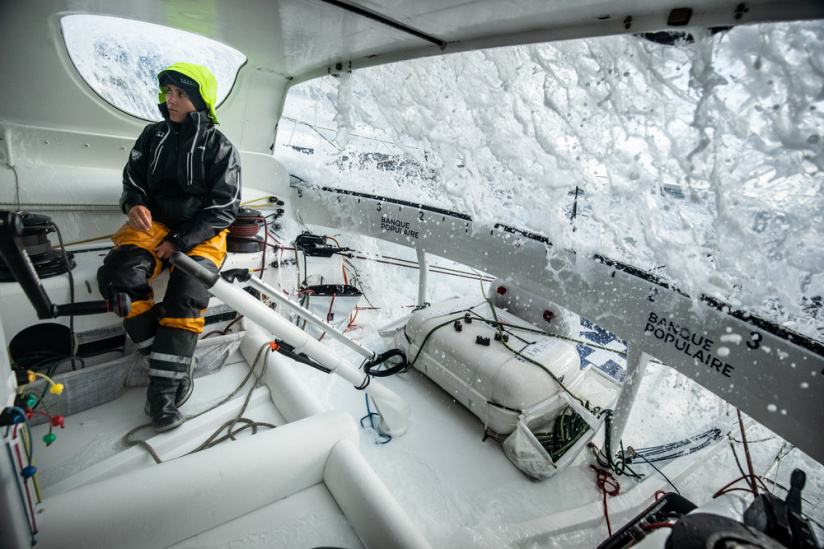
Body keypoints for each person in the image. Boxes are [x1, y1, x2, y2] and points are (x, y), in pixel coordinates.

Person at [98, 62, 241, 432]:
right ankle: (169, 361)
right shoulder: (152, 136)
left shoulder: (220, 147)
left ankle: (161, 392)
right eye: (168, 93)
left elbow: (224, 209)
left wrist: (178, 241)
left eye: (179, 94)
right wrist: (133, 205)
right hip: (154, 224)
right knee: (118, 275)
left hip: (202, 230)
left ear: (197, 99)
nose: (170, 100)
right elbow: (133, 182)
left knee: (188, 292)